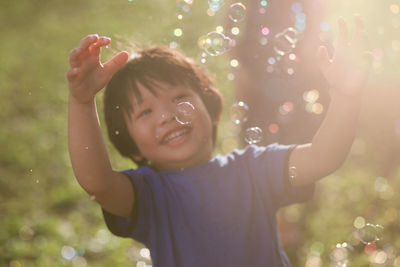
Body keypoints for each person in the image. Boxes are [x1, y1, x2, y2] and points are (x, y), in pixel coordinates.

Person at [67, 15, 370, 267]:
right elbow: (97, 182)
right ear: (130, 144)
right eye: (145, 111)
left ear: (211, 110)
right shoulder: (150, 196)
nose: (167, 116)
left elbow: (322, 158)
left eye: (180, 97)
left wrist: (345, 95)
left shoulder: (254, 170)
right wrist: (82, 103)